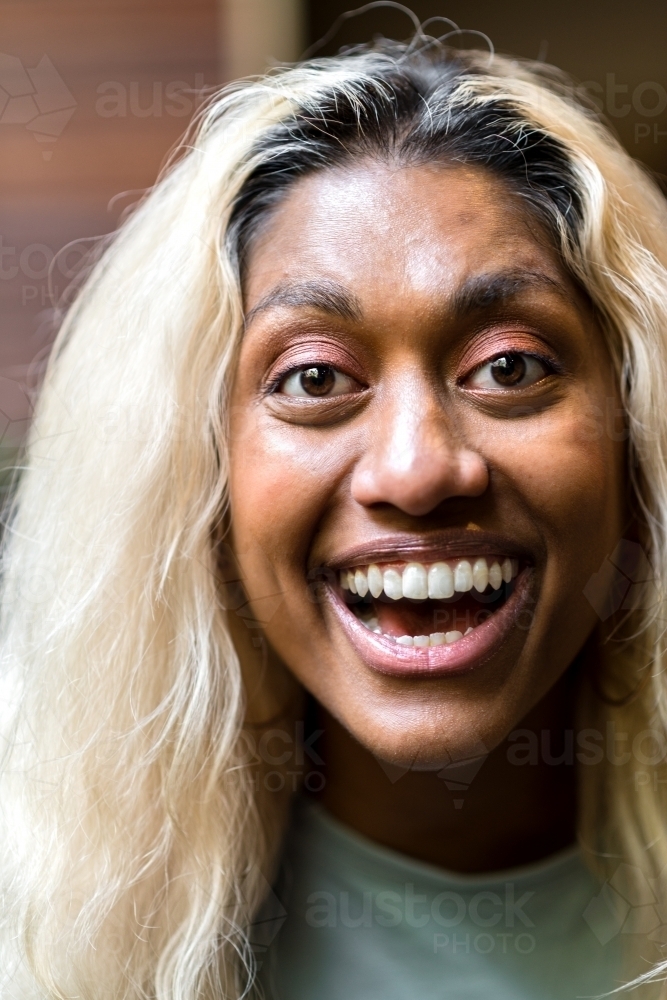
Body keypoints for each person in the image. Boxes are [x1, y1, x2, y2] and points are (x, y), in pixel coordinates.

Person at [1, 32, 667, 1000]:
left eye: (509, 366)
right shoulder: (33, 931)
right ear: (194, 476)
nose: (417, 469)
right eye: (313, 378)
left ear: (636, 441)